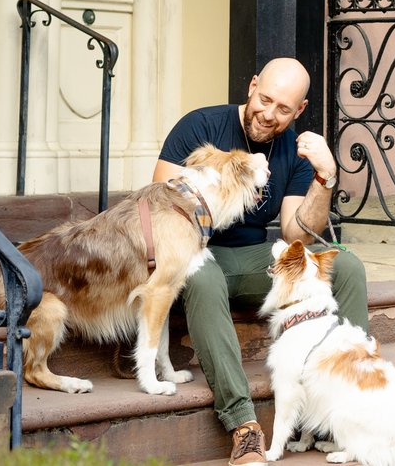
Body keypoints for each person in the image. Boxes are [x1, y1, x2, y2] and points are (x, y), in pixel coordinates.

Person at [154, 57, 367, 466]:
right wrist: (229, 177)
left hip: (254, 258)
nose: (268, 115)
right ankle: (244, 426)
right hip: (192, 250)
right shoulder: (200, 125)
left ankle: (347, 408)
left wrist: (325, 176)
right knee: (201, 278)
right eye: (264, 99)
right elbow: (160, 203)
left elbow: (296, 235)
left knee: (347, 266)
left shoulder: (293, 147)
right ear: (252, 85)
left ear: (299, 111)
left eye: (283, 109)